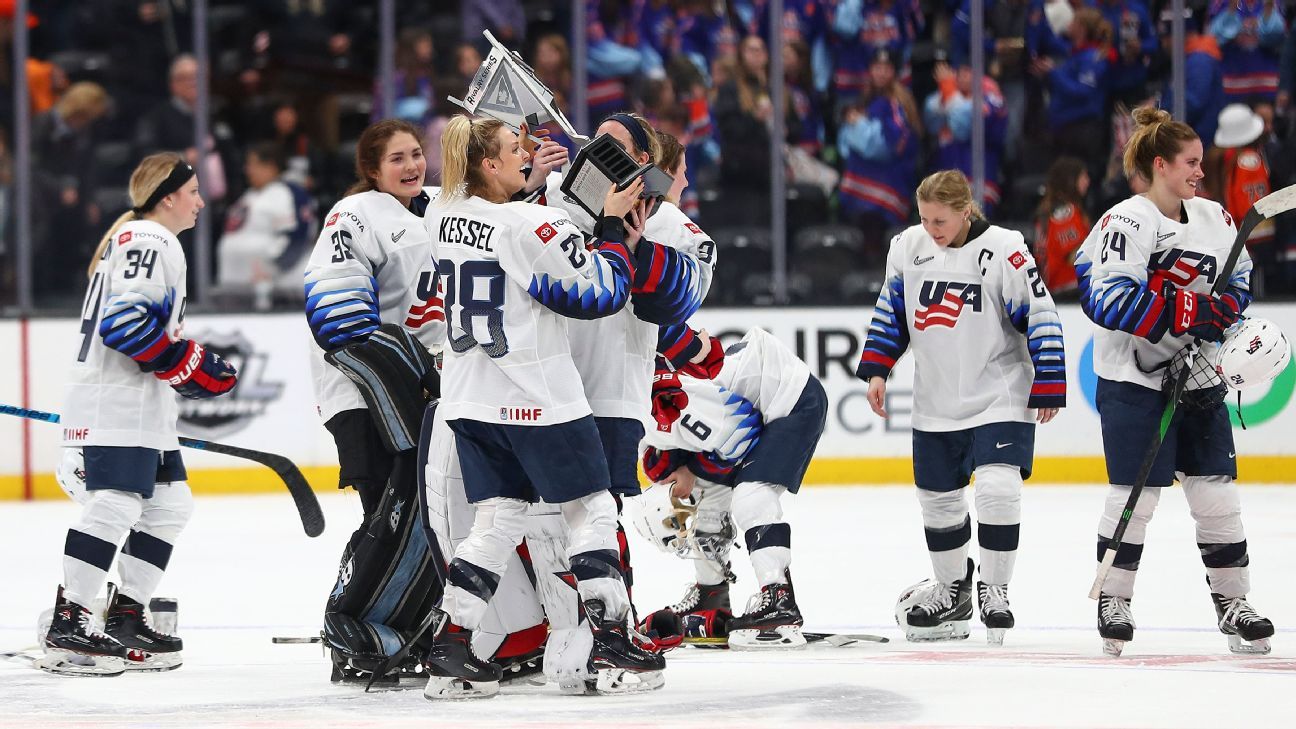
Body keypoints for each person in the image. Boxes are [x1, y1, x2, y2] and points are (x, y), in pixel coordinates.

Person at [421, 115, 665, 699]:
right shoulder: (527, 223)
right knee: (593, 510)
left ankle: (452, 649)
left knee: (498, 519)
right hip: (536, 399)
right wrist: (608, 224)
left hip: (469, 398)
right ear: (488, 164)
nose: (527, 156)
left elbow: (500, 235)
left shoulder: (440, 214)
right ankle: (611, 640)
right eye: (514, 149)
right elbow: (599, 294)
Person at [1073, 107, 1273, 657]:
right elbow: (1104, 297)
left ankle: (1234, 603)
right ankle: (1115, 599)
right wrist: (1188, 312)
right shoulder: (1126, 221)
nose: (1199, 173)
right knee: (1134, 498)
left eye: (1201, 163)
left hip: (1201, 377)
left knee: (1215, 495)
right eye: (1190, 163)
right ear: (1159, 165)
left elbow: (1240, 280)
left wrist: (1223, 311)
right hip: (1134, 379)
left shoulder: (1217, 219)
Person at [45, 152, 237, 676]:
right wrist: (187, 365)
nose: (201, 201)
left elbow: (133, 326)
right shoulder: (152, 239)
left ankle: (126, 614)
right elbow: (126, 325)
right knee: (113, 504)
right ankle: (71, 619)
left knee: (171, 505)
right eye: (194, 192)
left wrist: (180, 366)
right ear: (169, 197)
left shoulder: (136, 239)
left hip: (139, 409)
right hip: (116, 406)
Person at [857, 170, 1067, 646]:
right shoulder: (907, 247)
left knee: (997, 487)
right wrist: (877, 369)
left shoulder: (1005, 249)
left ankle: (995, 589)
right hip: (936, 398)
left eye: (941, 220)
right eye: (925, 218)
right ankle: (952, 589)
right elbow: (891, 311)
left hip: (1000, 391)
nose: (931, 229)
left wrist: (1050, 379)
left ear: (966, 211)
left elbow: (1040, 311)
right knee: (938, 500)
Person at [638, 327, 827, 650]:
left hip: (790, 397)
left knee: (751, 495)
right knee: (706, 496)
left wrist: (689, 468)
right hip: (741, 408)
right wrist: (685, 470)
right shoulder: (637, 406)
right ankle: (711, 596)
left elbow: (743, 433)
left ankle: (779, 599)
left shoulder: (668, 399)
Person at [217, 143, 306, 310]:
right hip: (234, 286)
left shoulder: (284, 194)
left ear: (271, 167)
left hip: (268, 292)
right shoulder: (249, 195)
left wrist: (273, 270)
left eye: (253, 164)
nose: (248, 170)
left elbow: (295, 238)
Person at [1033, 156, 1091, 297]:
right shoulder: (1065, 214)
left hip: (1053, 290)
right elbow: (1074, 256)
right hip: (1068, 291)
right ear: (1070, 180)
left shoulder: (1050, 209)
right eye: (1083, 177)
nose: (1087, 181)